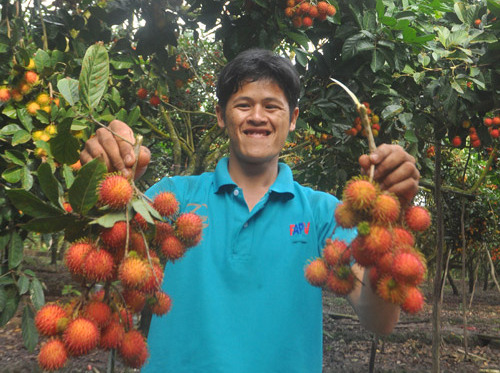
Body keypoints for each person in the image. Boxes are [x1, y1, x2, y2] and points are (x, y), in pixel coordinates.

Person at [81, 48, 420, 373]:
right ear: (220, 115)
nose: (257, 117)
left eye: (272, 106)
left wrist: (384, 226)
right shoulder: (173, 196)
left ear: (293, 119)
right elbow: (106, 254)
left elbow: (380, 320)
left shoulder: (323, 213)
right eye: (244, 104)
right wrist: (108, 175)